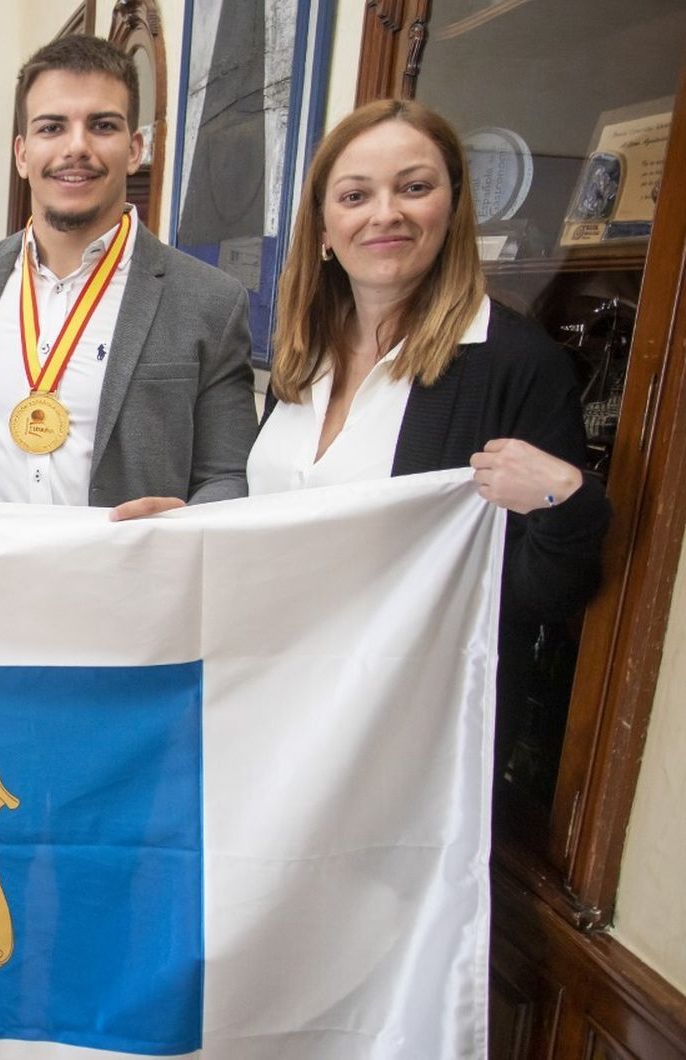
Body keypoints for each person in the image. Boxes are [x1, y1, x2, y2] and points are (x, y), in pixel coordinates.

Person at [248, 98, 610, 773]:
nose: (386, 213)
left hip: (405, 743)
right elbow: (275, 528)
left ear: (452, 208)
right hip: (278, 710)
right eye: (356, 195)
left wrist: (570, 501)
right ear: (324, 228)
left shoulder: (515, 365)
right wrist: (185, 528)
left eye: (414, 187)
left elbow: (543, 598)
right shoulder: (302, 357)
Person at [0, 34, 258, 519]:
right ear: (22, 154)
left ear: (135, 148)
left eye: (102, 125)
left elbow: (230, 475)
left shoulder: (210, 301)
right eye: (52, 127)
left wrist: (185, 522)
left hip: (127, 582)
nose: (76, 147)